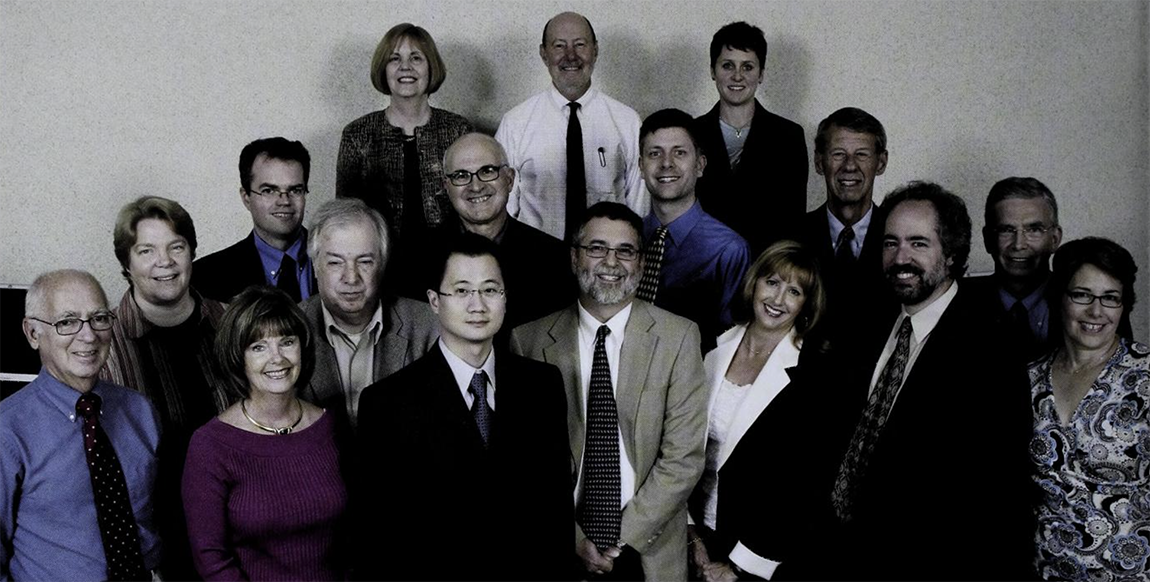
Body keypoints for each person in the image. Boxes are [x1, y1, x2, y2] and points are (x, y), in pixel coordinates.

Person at [794, 182, 1034, 580]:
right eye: (891, 243)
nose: (900, 258)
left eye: (919, 244)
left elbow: (999, 495)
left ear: (953, 253)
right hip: (835, 557)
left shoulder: (992, 347)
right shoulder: (865, 324)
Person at [511, 202, 708, 581]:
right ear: (574, 258)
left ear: (642, 262)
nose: (611, 263)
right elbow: (523, 464)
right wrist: (572, 537)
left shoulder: (679, 337)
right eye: (597, 248)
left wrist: (622, 537)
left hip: (647, 552)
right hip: (556, 547)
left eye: (625, 251)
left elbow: (683, 459)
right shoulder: (528, 340)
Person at [356, 234, 571, 580]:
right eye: (461, 291)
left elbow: (555, 514)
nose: (478, 305)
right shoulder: (387, 403)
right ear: (434, 301)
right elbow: (379, 537)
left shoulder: (542, 385)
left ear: (505, 297)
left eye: (490, 290)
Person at [687, 241, 851, 582]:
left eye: (794, 291)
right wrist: (689, 533)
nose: (778, 300)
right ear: (754, 283)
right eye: (772, 282)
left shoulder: (815, 375)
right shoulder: (710, 347)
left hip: (756, 557)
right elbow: (676, 446)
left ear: (806, 304)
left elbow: (804, 487)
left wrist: (737, 565)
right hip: (689, 538)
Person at [101, 195, 230, 582]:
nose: (165, 262)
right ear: (126, 264)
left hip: (237, 529)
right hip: (152, 544)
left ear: (192, 252)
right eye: (146, 250)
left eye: (177, 247)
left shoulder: (231, 322)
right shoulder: (103, 343)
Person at [2, 269, 161, 581]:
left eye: (99, 318)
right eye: (67, 322)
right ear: (33, 333)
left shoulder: (140, 411)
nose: (88, 335)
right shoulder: (7, 430)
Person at [183, 287, 347, 581]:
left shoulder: (332, 427)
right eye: (258, 346)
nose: (277, 358)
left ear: (302, 347)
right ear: (238, 357)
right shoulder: (210, 445)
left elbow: (357, 537)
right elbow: (211, 558)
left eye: (287, 342)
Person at [1030, 237, 1146, 580]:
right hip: (1044, 572)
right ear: (1059, 297)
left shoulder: (1145, 378)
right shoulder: (1029, 380)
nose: (1096, 312)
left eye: (1110, 298)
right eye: (1082, 295)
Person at [392, 132, 579, 331]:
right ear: (446, 187)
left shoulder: (555, 260)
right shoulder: (412, 260)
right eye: (461, 176)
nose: (476, 186)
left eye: (488, 171)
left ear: (509, 179)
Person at [496, 11, 646, 241]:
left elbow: (639, 208)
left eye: (580, 45)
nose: (571, 56)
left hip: (606, 262)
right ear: (543, 54)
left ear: (595, 51)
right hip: (535, 260)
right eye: (559, 46)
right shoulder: (515, 123)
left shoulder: (627, 122)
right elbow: (503, 208)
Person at [298, 198, 438, 429]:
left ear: (381, 265)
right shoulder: (289, 328)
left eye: (364, 261)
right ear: (314, 265)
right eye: (335, 263)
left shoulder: (429, 325)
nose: (351, 277)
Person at [336, 23, 473, 247]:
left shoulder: (458, 130)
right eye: (394, 59)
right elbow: (344, 215)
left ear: (431, 68)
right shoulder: (357, 134)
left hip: (450, 261)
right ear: (383, 69)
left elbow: (473, 204)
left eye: (416, 58)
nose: (405, 67)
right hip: (380, 265)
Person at [637, 109, 749, 352]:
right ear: (641, 167)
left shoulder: (728, 250)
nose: (666, 163)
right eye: (655, 153)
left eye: (680, 153)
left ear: (700, 165)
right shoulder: (629, 238)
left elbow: (729, 344)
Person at [692, 21, 807, 256]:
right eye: (727, 66)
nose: (737, 76)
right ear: (713, 71)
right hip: (703, 268)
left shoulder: (789, 136)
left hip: (766, 271)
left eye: (747, 67)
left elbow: (792, 221)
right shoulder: (691, 133)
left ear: (761, 74)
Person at [798, 107, 891, 326]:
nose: (849, 166)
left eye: (862, 154)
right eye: (838, 154)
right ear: (819, 162)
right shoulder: (791, 237)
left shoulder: (899, 239)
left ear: (881, 162)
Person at [194, 137, 317, 303]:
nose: (284, 201)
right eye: (269, 190)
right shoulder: (206, 277)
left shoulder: (338, 261)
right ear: (246, 198)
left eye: (295, 190)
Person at [967, 177, 1063, 362]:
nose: (1019, 244)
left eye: (1034, 230)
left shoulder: (1087, 304)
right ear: (987, 239)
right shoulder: (959, 303)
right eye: (1006, 230)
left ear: (1055, 238)